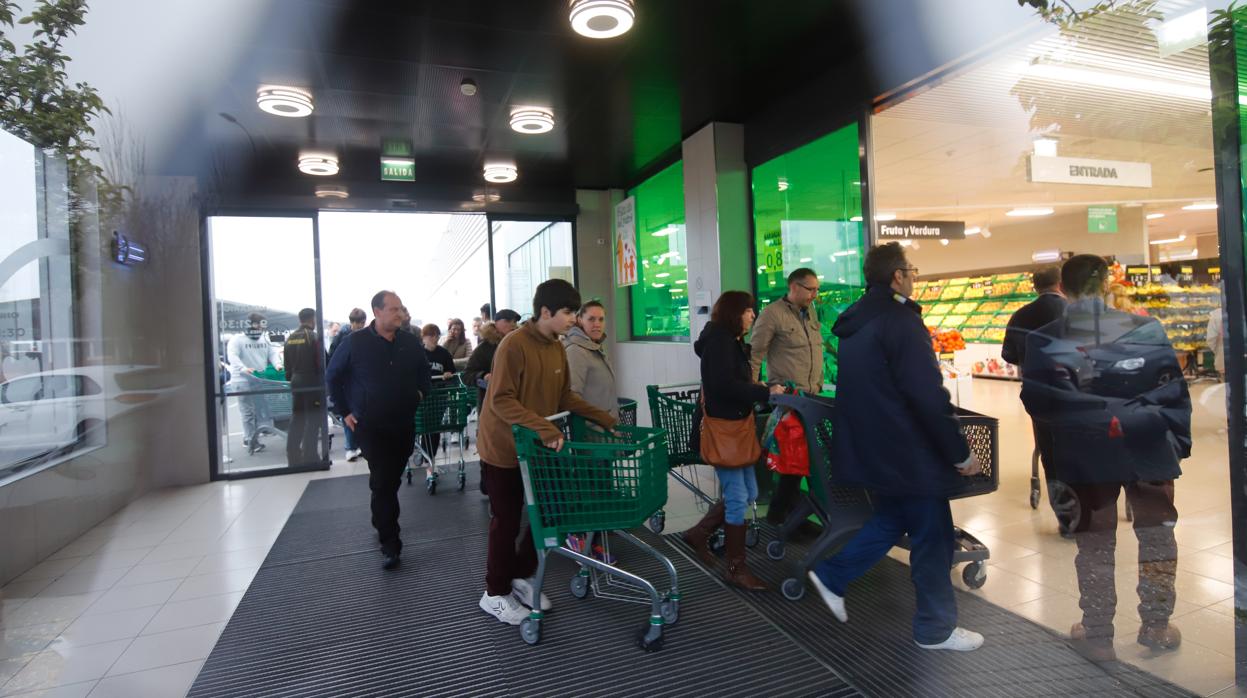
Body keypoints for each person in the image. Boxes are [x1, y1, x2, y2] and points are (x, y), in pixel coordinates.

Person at [806, 242, 985, 652]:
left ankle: (833, 575)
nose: (915, 277)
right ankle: (934, 630)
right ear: (898, 276)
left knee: (890, 521)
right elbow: (926, 394)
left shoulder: (855, 322)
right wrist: (959, 452)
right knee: (933, 538)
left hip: (875, 449)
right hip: (909, 453)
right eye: (913, 270)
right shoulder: (901, 321)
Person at [1020, 254, 1191, 662]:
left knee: (1095, 542)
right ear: (1106, 283)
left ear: (1064, 288)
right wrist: (1177, 444)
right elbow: (1173, 391)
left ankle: (1097, 635)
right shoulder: (1146, 328)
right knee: (1156, 534)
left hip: (1086, 454)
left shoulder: (1044, 338)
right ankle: (1156, 625)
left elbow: (1036, 401)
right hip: (1148, 446)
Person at [476, 280, 617, 625]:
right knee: (506, 522)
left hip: (537, 448)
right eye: (568, 312)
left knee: (549, 516)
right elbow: (501, 399)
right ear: (545, 312)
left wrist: (603, 416)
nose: (574, 319)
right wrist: (545, 427)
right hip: (504, 448)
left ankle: (520, 576)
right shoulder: (513, 345)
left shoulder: (556, 345)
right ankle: (494, 593)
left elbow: (564, 396)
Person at [326, 291, 431, 570]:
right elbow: (332, 376)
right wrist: (345, 411)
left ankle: (380, 517)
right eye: (394, 309)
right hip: (371, 427)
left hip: (404, 424)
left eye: (401, 309)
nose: (400, 314)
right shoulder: (354, 343)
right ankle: (390, 544)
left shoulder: (409, 342)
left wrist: (419, 394)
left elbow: (424, 374)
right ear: (377, 311)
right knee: (384, 481)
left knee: (389, 480)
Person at [692, 291, 785, 590]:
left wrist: (758, 387)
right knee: (737, 499)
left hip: (737, 427)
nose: (752, 316)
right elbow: (724, 386)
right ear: (735, 312)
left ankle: (698, 533)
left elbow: (732, 382)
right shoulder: (719, 343)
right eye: (748, 311)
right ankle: (736, 568)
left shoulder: (727, 341)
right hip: (726, 431)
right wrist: (764, 393)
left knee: (750, 491)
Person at [749, 267, 823, 529]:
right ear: (794, 287)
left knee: (805, 461)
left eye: (816, 289)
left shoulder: (810, 313)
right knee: (794, 462)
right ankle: (781, 517)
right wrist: (756, 389)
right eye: (810, 289)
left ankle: (793, 514)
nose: (815, 294)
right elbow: (755, 353)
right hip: (790, 399)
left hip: (812, 397)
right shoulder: (772, 315)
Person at [1001, 266, 1073, 535]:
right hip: (1077, 394)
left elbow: (1008, 355)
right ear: (1060, 284)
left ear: (1034, 286)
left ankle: (1066, 519)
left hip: (1039, 393)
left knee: (1050, 452)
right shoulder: (1075, 312)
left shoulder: (1021, 315)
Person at [562, 300, 619, 562]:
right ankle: (588, 545)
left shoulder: (594, 348)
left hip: (601, 435)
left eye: (601, 319)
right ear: (580, 321)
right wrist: (602, 419)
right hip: (589, 435)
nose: (597, 324)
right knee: (593, 492)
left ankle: (597, 540)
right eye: (591, 319)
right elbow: (572, 396)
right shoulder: (577, 351)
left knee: (601, 490)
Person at [226, 312, 282, 455]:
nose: (261, 329)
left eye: (263, 326)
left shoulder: (264, 338)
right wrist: (243, 368)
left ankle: (255, 434)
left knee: (259, 410)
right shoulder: (237, 339)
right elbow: (232, 356)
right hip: (242, 379)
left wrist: (277, 364)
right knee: (248, 412)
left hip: (259, 379)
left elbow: (273, 353)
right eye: (258, 325)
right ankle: (249, 439)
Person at [284, 308, 325, 465]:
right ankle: (311, 457)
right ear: (312, 319)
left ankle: (293, 458)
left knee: (297, 419)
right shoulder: (313, 337)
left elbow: (287, 366)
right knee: (313, 420)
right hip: (311, 382)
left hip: (295, 382)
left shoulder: (290, 338)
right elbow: (320, 362)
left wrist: (292, 378)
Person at [418, 323, 457, 485]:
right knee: (424, 427)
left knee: (433, 429)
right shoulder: (418, 354)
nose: (434, 338)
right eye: (430, 335)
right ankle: (426, 456)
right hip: (422, 397)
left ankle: (429, 460)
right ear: (424, 337)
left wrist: (448, 374)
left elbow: (452, 371)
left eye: (436, 335)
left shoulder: (444, 354)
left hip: (439, 396)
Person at [329, 308, 368, 462]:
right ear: (352, 322)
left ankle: (355, 446)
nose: (360, 325)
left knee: (355, 414)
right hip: (348, 382)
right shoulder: (346, 338)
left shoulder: (341, 337)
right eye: (358, 323)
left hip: (352, 381)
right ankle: (350, 447)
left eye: (362, 323)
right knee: (349, 415)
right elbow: (334, 364)